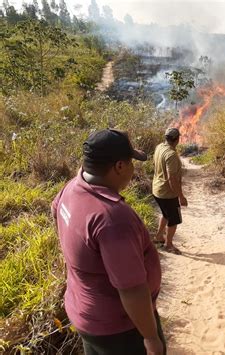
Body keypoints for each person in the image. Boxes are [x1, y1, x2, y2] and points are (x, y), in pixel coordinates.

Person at [51, 129, 166, 355]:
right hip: (121, 329)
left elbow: (55, 211)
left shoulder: (73, 188)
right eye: (131, 162)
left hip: (88, 315)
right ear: (119, 167)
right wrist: (151, 338)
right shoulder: (112, 218)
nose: (133, 169)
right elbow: (132, 290)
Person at [152, 127, 187, 255]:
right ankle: (168, 244)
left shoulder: (159, 147)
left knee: (166, 214)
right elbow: (172, 179)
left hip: (157, 189)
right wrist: (181, 197)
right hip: (167, 193)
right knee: (174, 220)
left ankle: (158, 237)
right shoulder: (171, 155)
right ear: (177, 139)